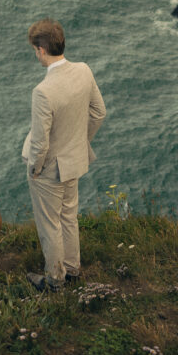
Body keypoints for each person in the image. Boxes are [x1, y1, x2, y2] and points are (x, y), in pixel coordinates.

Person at [22, 18, 106, 291]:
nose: (36, 54)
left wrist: (35, 168)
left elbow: (40, 143)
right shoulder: (83, 70)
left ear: (41, 50)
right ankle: (72, 267)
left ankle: (55, 279)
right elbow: (99, 112)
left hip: (50, 170)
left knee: (50, 225)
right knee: (69, 216)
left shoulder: (43, 92)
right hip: (74, 161)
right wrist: (81, 142)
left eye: (36, 49)